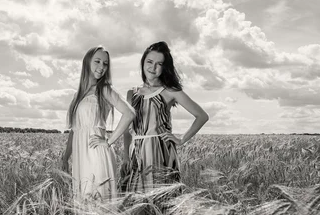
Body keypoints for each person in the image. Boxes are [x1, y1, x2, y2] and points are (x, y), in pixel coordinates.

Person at [122, 41, 209, 191]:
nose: (153, 67)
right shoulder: (131, 93)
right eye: (149, 61)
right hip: (135, 152)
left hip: (160, 151)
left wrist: (181, 140)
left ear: (164, 67)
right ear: (143, 62)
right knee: (136, 200)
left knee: (163, 199)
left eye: (159, 64)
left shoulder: (170, 91)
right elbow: (126, 128)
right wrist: (125, 156)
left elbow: (201, 116)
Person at [61, 46, 135, 201]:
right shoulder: (78, 95)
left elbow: (129, 113)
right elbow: (75, 130)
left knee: (98, 203)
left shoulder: (104, 89)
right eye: (97, 61)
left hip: (96, 153)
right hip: (80, 157)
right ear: (87, 62)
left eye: (105, 63)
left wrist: (109, 141)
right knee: (83, 203)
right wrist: (65, 157)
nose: (102, 67)